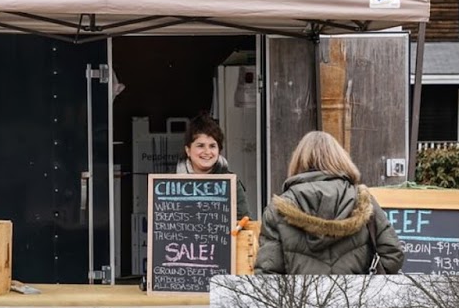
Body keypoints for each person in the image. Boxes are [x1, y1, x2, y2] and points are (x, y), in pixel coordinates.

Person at [254, 130, 406, 275]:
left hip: (302, 294)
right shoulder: (362, 201)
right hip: (356, 293)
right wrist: (365, 284)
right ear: (340, 158)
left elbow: (268, 272)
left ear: (297, 161)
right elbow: (393, 254)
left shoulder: (278, 209)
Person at [174, 113, 249, 221]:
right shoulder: (169, 184)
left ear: (219, 150)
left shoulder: (232, 183)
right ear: (188, 150)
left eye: (212, 146)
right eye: (200, 146)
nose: (207, 152)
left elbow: (245, 221)